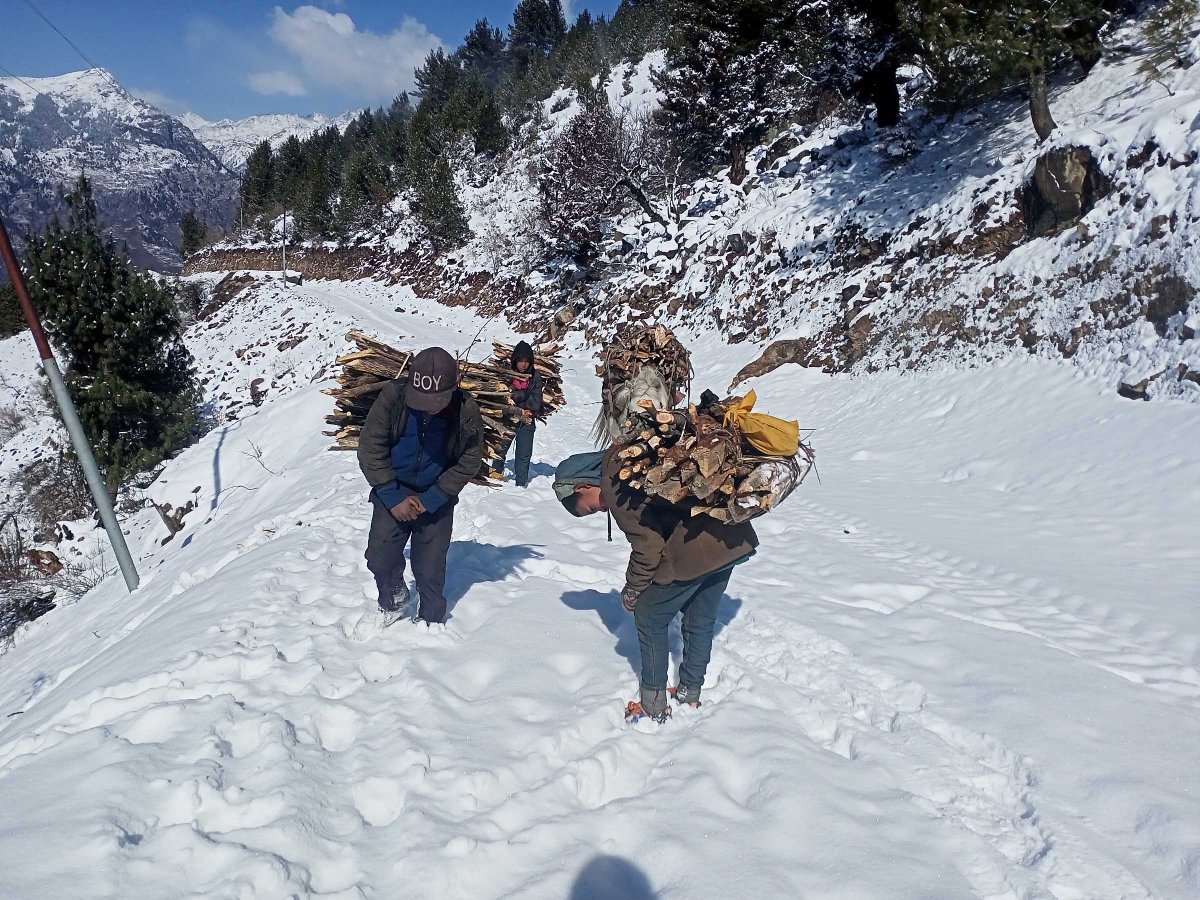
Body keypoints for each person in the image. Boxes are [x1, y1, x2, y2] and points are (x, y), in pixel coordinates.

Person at [553, 448, 758, 723]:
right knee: (700, 618)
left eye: (591, 507)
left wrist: (633, 590)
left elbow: (648, 547)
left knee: (649, 616)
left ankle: (652, 704)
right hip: (731, 536)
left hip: (700, 546)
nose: (600, 510)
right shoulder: (630, 458)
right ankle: (689, 691)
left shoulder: (615, 483)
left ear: (583, 485)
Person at [357, 346, 484, 628]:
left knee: (429, 569)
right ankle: (393, 600)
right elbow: (370, 448)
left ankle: (430, 624)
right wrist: (392, 496)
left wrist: (433, 498)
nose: (429, 406)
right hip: (393, 488)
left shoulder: (465, 409)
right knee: (379, 558)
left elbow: (470, 459)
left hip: (437, 494)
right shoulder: (394, 397)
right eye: (422, 399)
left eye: (437, 400)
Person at [496, 340, 543, 487]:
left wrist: (517, 397)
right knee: (500, 449)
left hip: (527, 421)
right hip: (507, 420)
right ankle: (494, 476)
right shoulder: (507, 376)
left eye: (526, 361)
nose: (523, 365)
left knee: (524, 454)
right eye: (520, 361)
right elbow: (504, 399)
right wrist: (524, 395)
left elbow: (535, 403)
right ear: (514, 361)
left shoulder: (535, 377)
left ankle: (521, 484)